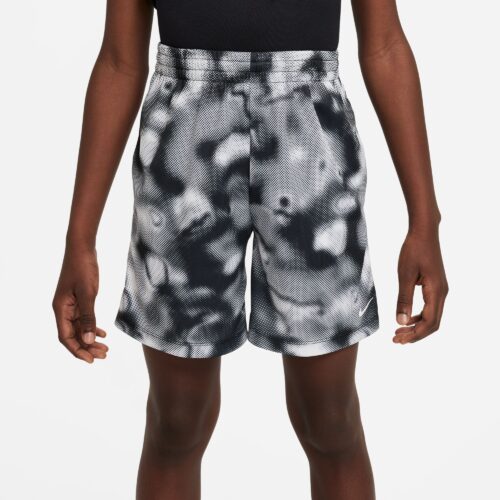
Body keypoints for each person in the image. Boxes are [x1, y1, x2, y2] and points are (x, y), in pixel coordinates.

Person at [52, 0, 448, 497]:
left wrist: (425, 220)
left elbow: (385, 44)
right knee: (176, 420)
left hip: (308, 132)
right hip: (184, 136)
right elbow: (119, 61)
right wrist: (79, 238)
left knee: (329, 418)